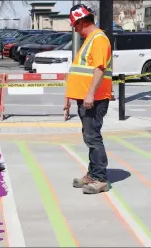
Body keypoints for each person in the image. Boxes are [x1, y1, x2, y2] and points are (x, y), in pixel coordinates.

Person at [64, 4, 112, 194]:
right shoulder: (90, 39)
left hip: (94, 99)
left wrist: (91, 93)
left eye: (75, 25)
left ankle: (100, 178)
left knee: (93, 138)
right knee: (89, 136)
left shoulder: (98, 39)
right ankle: (93, 174)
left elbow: (99, 69)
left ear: (83, 22)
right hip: (87, 98)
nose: (74, 28)